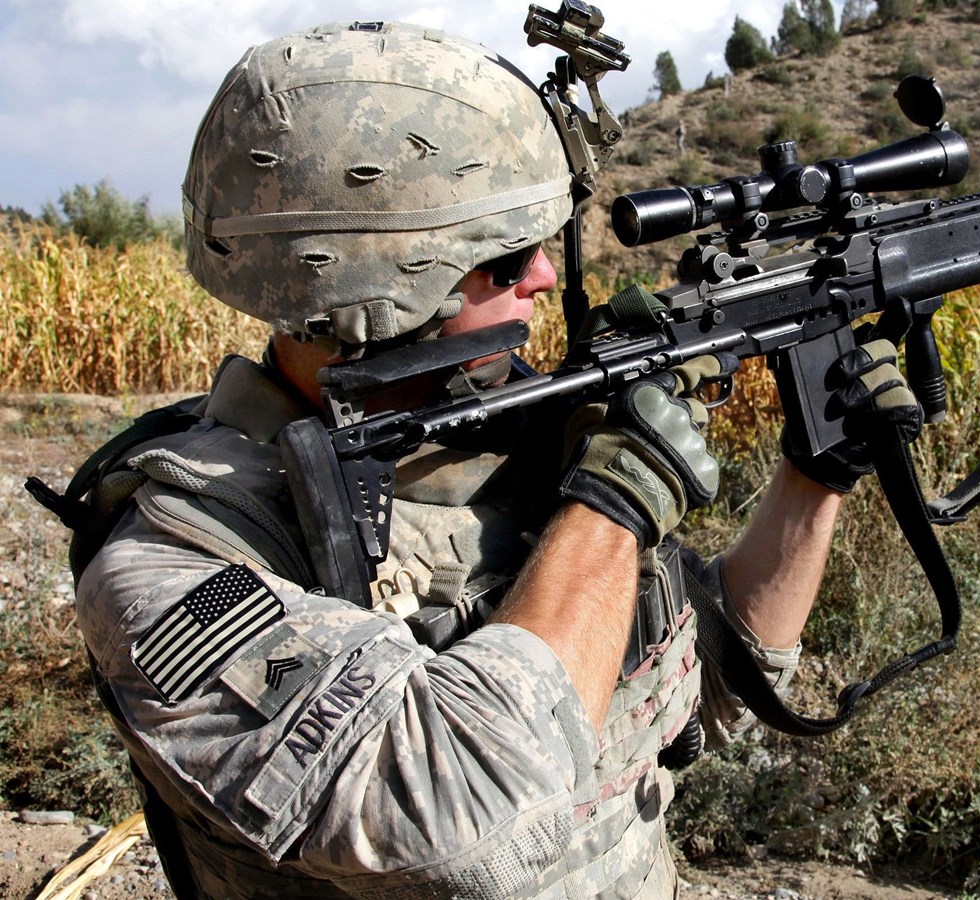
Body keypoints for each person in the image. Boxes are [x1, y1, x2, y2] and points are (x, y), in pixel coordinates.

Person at [71, 20, 916, 900]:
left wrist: (817, 475)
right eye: (508, 260)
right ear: (379, 286)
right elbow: (465, 835)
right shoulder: (176, 565)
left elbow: (704, 691)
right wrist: (615, 504)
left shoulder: (505, 454)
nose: (544, 278)